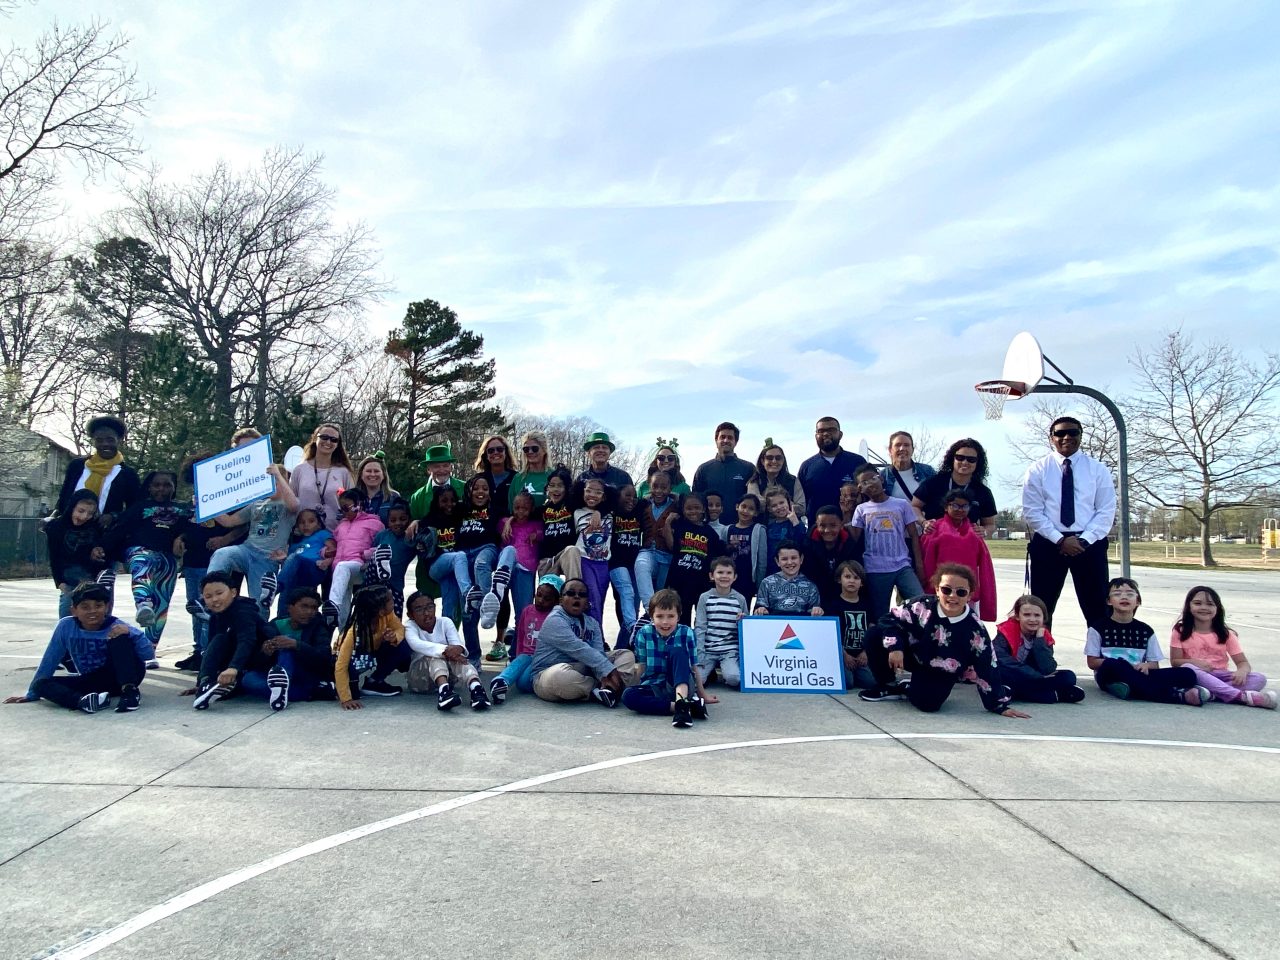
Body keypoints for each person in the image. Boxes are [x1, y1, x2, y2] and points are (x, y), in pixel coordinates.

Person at [858, 563, 1031, 718]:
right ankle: (888, 684)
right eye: (946, 590)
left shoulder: (976, 629)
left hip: (940, 669)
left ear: (969, 596)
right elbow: (889, 619)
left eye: (960, 592)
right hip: (910, 654)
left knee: (928, 705)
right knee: (874, 634)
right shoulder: (921, 605)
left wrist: (998, 705)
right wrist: (895, 647)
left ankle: (908, 688)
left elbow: (988, 666)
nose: (952, 596)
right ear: (937, 589)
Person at [1021, 416, 1116, 628]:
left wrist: (1083, 541)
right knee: (1041, 609)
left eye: (1073, 432)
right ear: (1051, 438)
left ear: (1081, 436)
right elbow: (1032, 511)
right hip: (1048, 542)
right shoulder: (1037, 470)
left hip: (1089, 544)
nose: (1066, 437)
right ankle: (1041, 658)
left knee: (1098, 607)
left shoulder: (1098, 469)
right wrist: (1060, 540)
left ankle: (1101, 658)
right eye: (1060, 433)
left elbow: (1105, 510)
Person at [6, 581, 150, 713]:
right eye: (85, 607)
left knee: (120, 637)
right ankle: (84, 702)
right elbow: (51, 658)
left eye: (98, 606)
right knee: (41, 684)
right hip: (91, 680)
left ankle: (130, 693)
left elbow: (147, 655)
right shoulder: (66, 626)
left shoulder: (116, 625)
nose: (92, 611)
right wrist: (32, 693)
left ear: (106, 607)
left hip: (122, 676)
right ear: (74, 610)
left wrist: (131, 633)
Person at [102, 470, 191, 648]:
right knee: (144, 560)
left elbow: (194, 528)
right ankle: (143, 603)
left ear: (174, 488)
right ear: (149, 487)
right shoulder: (139, 507)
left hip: (167, 558)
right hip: (139, 551)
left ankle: (150, 648)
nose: (161, 489)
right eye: (157, 485)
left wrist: (182, 537)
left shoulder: (183, 509)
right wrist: (101, 547)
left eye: (167, 485)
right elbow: (119, 529)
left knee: (162, 601)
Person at [1086, 578, 1208, 706]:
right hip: (1109, 674)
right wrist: (1122, 665)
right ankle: (1176, 695)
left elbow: (1154, 664)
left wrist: (1146, 666)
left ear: (1138, 601)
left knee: (1187, 674)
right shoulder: (1097, 628)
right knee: (1114, 664)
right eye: (1117, 594)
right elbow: (1092, 662)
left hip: (1139, 673)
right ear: (1109, 601)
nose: (1124, 597)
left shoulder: (1146, 630)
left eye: (1130, 594)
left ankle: (1129, 689)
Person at [530, 577, 642, 706]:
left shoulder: (592, 624)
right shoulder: (554, 620)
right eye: (571, 593)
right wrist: (609, 671)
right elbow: (579, 649)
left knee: (626, 655)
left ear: (587, 602)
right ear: (561, 600)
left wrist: (603, 673)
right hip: (548, 674)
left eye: (582, 595)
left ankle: (607, 690)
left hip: (583, 668)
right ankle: (605, 689)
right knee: (561, 676)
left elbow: (598, 653)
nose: (576, 597)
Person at [205, 463, 299, 604]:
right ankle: (210, 594)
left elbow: (294, 505)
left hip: (267, 558)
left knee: (259, 603)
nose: (271, 486)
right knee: (222, 554)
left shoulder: (288, 505)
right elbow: (229, 521)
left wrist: (278, 475)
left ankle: (259, 623)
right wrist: (205, 505)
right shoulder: (257, 503)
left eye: (275, 482)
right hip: (247, 550)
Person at [1169, 586, 1274, 708]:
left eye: (1210, 604)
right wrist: (1195, 662)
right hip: (1196, 676)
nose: (1204, 607)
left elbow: (1243, 662)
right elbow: (1175, 662)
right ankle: (1241, 697)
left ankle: (1210, 694)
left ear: (1217, 608)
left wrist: (1242, 671)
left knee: (1259, 678)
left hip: (1221, 676)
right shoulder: (1180, 631)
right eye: (1198, 603)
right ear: (1189, 606)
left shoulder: (1225, 634)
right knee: (1188, 667)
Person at [192, 571, 281, 710]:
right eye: (208, 596)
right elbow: (212, 649)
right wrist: (201, 681)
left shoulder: (243, 611)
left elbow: (247, 640)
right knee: (218, 640)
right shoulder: (216, 616)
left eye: (219, 593)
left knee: (249, 681)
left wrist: (234, 668)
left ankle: (227, 683)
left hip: (262, 659)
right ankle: (208, 685)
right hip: (241, 661)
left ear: (233, 592)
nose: (214, 599)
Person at [624, 589, 710, 728]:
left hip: (682, 683)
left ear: (679, 616)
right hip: (655, 685)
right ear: (652, 616)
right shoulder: (644, 634)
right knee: (628, 696)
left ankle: (682, 706)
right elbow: (642, 666)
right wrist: (634, 687)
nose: (665, 622)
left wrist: (703, 695)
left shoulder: (686, 633)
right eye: (660, 616)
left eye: (671, 616)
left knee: (678, 651)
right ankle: (683, 707)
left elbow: (694, 667)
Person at [239, 587, 337, 708]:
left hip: (305, 674)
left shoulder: (319, 627)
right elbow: (255, 663)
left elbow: (324, 659)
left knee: (287, 641)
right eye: (304, 606)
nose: (309, 612)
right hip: (277, 676)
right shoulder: (273, 626)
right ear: (290, 607)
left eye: (314, 608)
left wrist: (296, 645)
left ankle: (284, 689)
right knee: (248, 680)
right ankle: (304, 692)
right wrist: (264, 653)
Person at [849, 465, 925, 620]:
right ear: (860, 488)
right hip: (875, 568)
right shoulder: (861, 509)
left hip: (902, 565)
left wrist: (919, 564)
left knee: (920, 603)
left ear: (881, 478)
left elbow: (914, 535)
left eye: (872, 479)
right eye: (864, 483)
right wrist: (848, 508)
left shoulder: (901, 504)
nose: (870, 484)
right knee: (880, 614)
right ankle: (885, 642)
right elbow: (853, 538)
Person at [403, 591, 490, 711]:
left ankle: (476, 689)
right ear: (410, 615)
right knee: (435, 656)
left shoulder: (445, 622)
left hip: (449, 677)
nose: (426, 613)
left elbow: (458, 646)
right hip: (420, 680)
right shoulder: (409, 627)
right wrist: (447, 651)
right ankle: (444, 692)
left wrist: (456, 651)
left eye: (430, 607)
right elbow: (417, 645)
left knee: (459, 659)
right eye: (419, 610)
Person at [921, 489, 997, 622]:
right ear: (946, 507)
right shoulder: (934, 529)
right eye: (955, 505)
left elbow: (985, 567)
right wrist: (930, 588)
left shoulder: (975, 532)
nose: (960, 510)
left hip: (966, 592)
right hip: (941, 590)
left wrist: (981, 593)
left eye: (964, 506)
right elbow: (927, 562)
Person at [994, 595, 1085, 704]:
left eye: (1037, 615)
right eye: (1027, 615)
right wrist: (1034, 675)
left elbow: (1048, 668)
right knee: (1002, 675)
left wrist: (1039, 640)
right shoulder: (1005, 632)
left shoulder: (1044, 636)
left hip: (1034, 677)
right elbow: (1003, 661)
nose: (1032, 619)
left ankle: (1015, 692)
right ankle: (1055, 695)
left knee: (1069, 676)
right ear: (1018, 616)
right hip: (1013, 673)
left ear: (1044, 618)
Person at [55, 415, 141, 526]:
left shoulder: (127, 474)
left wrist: (113, 516)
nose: (105, 444)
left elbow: (135, 507)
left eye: (110, 440)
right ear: (93, 442)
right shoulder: (77, 466)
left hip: (105, 535)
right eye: (99, 440)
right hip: (70, 531)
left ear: (119, 440)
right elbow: (64, 497)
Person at [334, 584, 410, 707]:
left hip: (372, 653)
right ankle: (344, 685)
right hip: (352, 659)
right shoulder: (353, 632)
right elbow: (341, 665)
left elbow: (399, 628)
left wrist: (394, 637)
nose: (394, 602)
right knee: (352, 690)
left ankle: (374, 681)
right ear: (381, 611)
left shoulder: (388, 616)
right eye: (391, 600)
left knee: (403, 646)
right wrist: (346, 698)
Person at [490, 575, 562, 704]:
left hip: (543, 659)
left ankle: (507, 678)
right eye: (538, 595)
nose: (540, 600)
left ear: (556, 601)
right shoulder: (527, 611)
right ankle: (501, 682)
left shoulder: (556, 616)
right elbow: (521, 635)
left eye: (547, 598)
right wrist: (517, 657)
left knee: (522, 684)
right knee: (523, 659)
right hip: (526, 655)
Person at [406, 442, 466, 593]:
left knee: (456, 608)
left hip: (460, 558)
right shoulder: (417, 497)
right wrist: (417, 522)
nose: (441, 470)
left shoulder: (466, 489)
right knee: (426, 604)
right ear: (428, 469)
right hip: (430, 562)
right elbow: (415, 532)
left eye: (445, 465)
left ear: (451, 467)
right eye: (436, 466)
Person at [324, 488, 386, 632]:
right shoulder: (341, 526)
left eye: (346, 508)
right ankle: (342, 639)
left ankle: (333, 604)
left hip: (359, 566)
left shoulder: (374, 523)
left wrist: (366, 554)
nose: (343, 512)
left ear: (359, 504)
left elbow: (383, 545)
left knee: (342, 567)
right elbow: (335, 544)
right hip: (340, 572)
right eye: (341, 509)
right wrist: (326, 553)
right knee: (343, 610)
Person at [482, 491, 542, 632]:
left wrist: (536, 535)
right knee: (509, 550)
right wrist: (509, 521)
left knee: (523, 612)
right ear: (512, 508)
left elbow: (543, 534)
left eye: (525, 508)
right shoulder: (504, 523)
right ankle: (498, 586)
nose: (520, 512)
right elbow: (493, 527)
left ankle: (518, 649)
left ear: (532, 509)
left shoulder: (536, 525)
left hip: (526, 569)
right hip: (507, 568)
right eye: (517, 508)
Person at [661, 492, 725, 626]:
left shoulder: (710, 532)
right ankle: (682, 644)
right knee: (681, 617)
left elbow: (716, 556)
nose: (693, 511)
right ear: (683, 510)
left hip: (700, 582)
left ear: (703, 509)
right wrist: (668, 522)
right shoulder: (679, 526)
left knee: (701, 618)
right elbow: (672, 546)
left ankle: (698, 644)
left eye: (697, 508)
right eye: (689, 508)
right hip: (678, 580)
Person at [912, 438, 997, 537]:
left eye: (971, 459)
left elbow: (990, 524)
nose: (965, 462)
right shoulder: (933, 483)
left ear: (978, 463)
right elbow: (914, 506)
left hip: (966, 545)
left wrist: (985, 531)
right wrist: (923, 522)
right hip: (934, 543)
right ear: (952, 459)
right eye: (960, 458)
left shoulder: (983, 491)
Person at [45, 490, 107, 619]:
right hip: (69, 581)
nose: (84, 517)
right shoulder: (57, 527)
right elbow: (53, 557)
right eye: (81, 511)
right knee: (67, 619)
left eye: (90, 513)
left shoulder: (95, 529)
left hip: (91, 580)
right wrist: (59, 581)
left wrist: (98, 552)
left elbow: (101, 553)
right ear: (72, 507)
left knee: (92, 619)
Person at [796, 417, 867, 527]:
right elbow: (801, 501)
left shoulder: (857, 462)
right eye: (821, 431)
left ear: (840, 434)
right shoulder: (807, 467)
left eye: (831, 430)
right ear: (816, 436)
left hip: (854, 529)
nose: (826, 434)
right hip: (818, 531)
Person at [262, 509, 331, 620]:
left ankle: (275, 588)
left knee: (295, 558)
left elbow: (334, 549)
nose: (306, 525)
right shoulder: (295, 544)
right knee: (287, 588)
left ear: (318, 524)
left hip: (315, 569)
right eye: (302, 522)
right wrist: (282, 558)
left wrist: (328, 560)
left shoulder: (323, 534)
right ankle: (282, 619)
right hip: (299, 577)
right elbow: (289, 565)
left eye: (311, 521)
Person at [289, 423, 354, 531]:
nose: (328, 442)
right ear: (315, 438)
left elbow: (352, 504)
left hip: (335, 534)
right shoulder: (299, 470)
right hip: (304, 535)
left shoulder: (343, 472)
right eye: (324, 437)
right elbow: (291, 504)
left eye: (334, 440)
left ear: (338, 444)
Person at [695, 557, 747, 689]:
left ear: (735, 577)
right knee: (696, 681)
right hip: (708, 650)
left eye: (729, 573)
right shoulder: (704, 597)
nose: (724, 576)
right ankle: (709, 671)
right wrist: (700, 656)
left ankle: (728, 669)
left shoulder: (740, 599)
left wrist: (742, 621)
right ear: (711, 576)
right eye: (720, 572)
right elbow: (700, 627)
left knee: (734, 679)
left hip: (730, 650)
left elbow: (745, 630)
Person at [801, 505, 861, 611]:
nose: (827, 530)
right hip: (815, 600)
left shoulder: (850, 545)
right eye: (822, 525)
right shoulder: (806, 545)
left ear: (841, 524)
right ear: (816, 524)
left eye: (833, 525)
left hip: (843, 598)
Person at [634, 468, 677, 610]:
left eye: (664, 488)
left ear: (670, 488)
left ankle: (661, 619)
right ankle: (649, 609)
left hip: (667, 554)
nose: (659, 491)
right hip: (648, 550)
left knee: (661, 592)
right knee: (641, 565)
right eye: (655, 486)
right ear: (649, 486)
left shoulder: (676, 506)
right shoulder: (643, 504)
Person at [828, 561, 875, 689]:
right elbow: (831, 634)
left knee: (870, 683)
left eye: (856, 578)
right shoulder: (833, 605)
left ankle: (858, 673)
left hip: (861, 655)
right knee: (848, 683)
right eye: (847, 577)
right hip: (843, 654)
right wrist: (844, 655)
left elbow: (872, 631)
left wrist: (865, 652)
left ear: (862, 583)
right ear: (839, 579)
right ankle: (848, 673)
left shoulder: (867, 604)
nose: (852, 581)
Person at [366, 502, 417, 619]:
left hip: (395, 584)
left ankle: (383, 565)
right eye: (393, 520)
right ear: (388, 522)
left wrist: (416, 523)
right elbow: (370, 551)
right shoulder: (382, 535)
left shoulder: (410, 537)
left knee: (395, 618)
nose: (398, 523)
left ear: (409, 519)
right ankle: (381, 562)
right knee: (371, 616)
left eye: (403, 519)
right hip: (374, 581)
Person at [608, 483, 643, 646]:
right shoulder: (611, 513)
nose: (632, 499)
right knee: (627, 592)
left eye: (634, 496)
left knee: (633, 605)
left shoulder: (638, 513)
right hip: (616, 563)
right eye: (627, 495)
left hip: (634, 565)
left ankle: (622, 646)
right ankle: (632, 629)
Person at [692, 421, 752, 513]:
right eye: (722, 437)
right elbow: (696, 500)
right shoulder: (703, 469)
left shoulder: (748, 469)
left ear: (735, 442)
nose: (726, 440)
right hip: (710, 525)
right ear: (716, 440)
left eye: (730, 438)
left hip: (739, 525)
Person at [535, 467, 582, 581]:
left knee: (572, 550)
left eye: (560, 486)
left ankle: (574, 589)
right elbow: (521, 514)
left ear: (566, 488)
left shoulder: (572, 505)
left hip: (566, 554)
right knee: (547, 592)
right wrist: (510, 520)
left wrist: (598, 513)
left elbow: (601, 499)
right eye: (552, 485)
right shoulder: (543, 509)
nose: (556, 489)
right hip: (547, 559)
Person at [754, 542, 822, 616]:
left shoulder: (811, 586)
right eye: (784, 559)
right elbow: (760, 609)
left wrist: (817, 610)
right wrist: (760, 610)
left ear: (801, 559)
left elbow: (815, 615)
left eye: (794, 558)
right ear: (777, 561)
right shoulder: (767, 583)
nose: (789, 562)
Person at [745, 439, 807, 521]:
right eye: (769, 458)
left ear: (783, 461)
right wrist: (785, 505)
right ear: (762, 461)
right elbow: (755, 505)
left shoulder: (793, 481)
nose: (774, 461)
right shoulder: (754, 481)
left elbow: (802, 509)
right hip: (762, 528)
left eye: (778, 458)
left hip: (789, 528)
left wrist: (771, 506)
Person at [722, 492, 766, 607]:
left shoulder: (758, 530)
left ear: (756, 513)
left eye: (751, 509)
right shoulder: (727, 530)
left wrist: (759, 582)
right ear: (737, 507)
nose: (746, 511)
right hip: (728, 578)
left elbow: (762, 559)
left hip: (748, 579)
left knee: (742, 611)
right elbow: (721, 554)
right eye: (743, 506)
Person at [880, 431, 937, 502]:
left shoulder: (927, 471)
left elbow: (939, 496)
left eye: (906, 445)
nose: (902, 448)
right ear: (890, 450)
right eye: (898, 445)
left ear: (912, 449)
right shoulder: (883, 476)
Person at [762, 486, 805, 576]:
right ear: (769, 509)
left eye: (781, 503)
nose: (779, 507)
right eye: (774, 505)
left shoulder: (797, 524)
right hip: (772, 570)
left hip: (791, 569)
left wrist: (795, 522)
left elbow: (801, 542)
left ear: (788, 503)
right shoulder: (769, 527)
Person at [510, 430, 553, 510]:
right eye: (526, 449)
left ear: (544, 450)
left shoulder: (554, 476)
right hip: (523, 521)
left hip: (549, 521)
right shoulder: (518, 478)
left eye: (534, 448)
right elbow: (511, 508)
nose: (530, 452)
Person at [351, 455, 401, 525]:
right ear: (361, 475)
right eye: (368, 471)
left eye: (376, 471)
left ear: (384, 475)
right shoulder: (352, 497)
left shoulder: (394, 497)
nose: (372, 474)